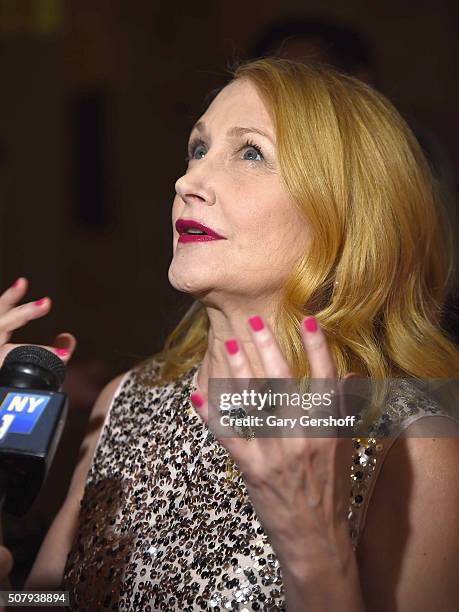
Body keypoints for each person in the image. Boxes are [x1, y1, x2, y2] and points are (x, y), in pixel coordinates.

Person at [16, 57, 459, 610]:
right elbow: (48, 602)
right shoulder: (128, 400)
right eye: (198, 149)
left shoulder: (413, 449)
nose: (188, 180)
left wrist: (315, 559)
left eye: (251, 153)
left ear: (347, 211)